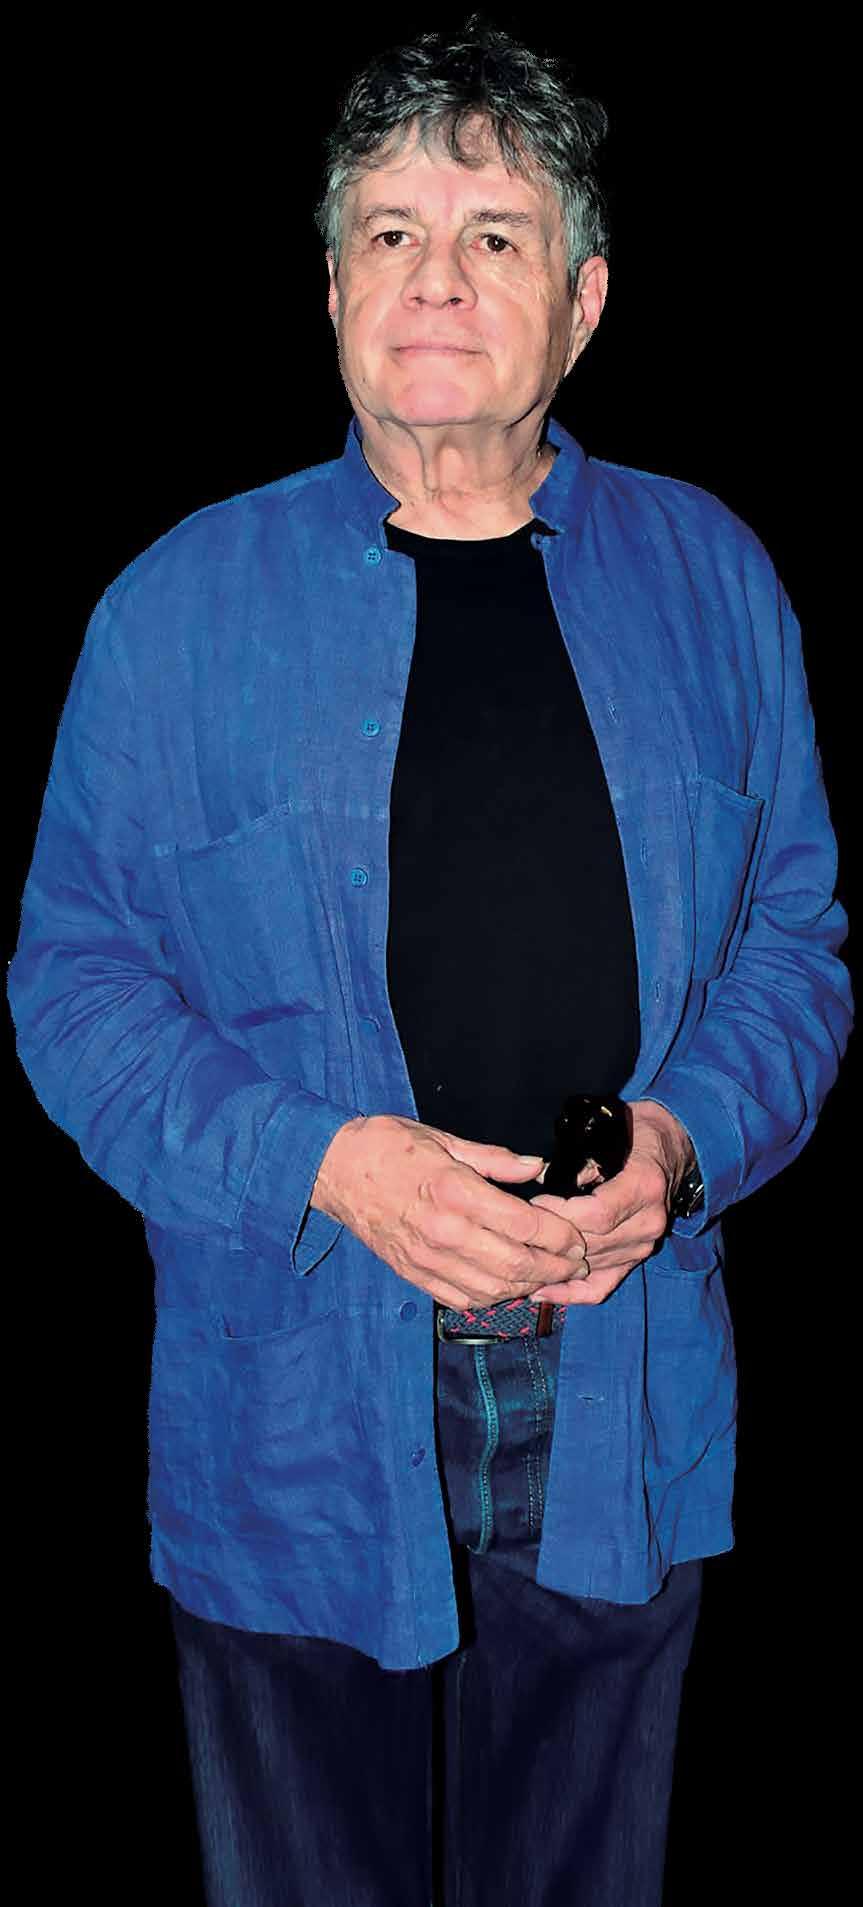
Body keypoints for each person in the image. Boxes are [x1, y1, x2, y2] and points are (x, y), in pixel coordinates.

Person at [7, 16, 853, 1907]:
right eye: (387, 232)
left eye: (494, 233)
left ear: (585, 300)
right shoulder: (171, 613)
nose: (436, 276)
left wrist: (684, 1145)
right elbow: (75, 988)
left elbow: (795, 947)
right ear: (330, 291)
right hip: (293, 1409)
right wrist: (328, 1165)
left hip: (622, 1383)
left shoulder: (715, 581)